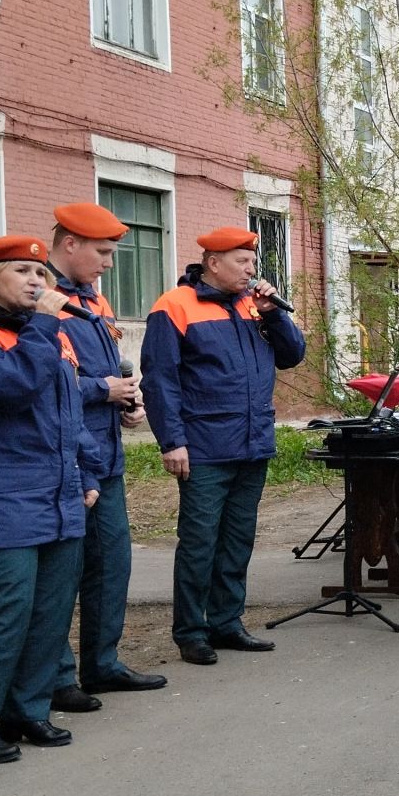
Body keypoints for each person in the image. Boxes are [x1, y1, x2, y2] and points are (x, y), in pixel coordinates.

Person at [0, 235, 101, 763]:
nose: (37, 283)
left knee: (51, 612)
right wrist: (46, 329)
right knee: (8, 609)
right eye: (24, 273)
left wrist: (89, 472)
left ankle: (26, 711)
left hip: (60, 495)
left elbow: (68, 409)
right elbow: (13, 389)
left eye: (41, 275)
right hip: (1, 496)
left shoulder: (42, 334)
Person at [142, 227, 307, 666]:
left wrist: (274, 314)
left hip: (252, 444)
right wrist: (172, 441)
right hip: (204, 446)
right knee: (199, 542)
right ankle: (191, 632)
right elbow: (160, 380)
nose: (251, 270)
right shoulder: (174, 307)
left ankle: (227, 622)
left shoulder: (256, 306)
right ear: (213, 263)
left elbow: (292, 356)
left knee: (237, 539)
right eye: (242, 262)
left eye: (253, 263)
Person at [47, 202, 167, 711]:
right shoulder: (44, 302)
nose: (110, 263)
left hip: (105, 454)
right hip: (67, 459)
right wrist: (103, 389)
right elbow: (45, 381)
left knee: (110, 563)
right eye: (103, 252)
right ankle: (54, 678)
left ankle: (102, 663)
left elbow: (105, 367)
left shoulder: (92, 300)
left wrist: (127, 402)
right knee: (63, 573)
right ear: (69, 244)